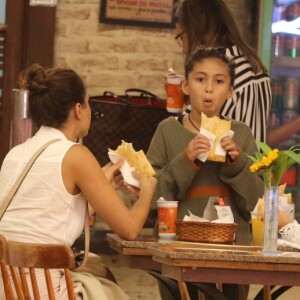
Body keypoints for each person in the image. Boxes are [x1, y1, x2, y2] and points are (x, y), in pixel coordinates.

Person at [0, 64, 157, 299]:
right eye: (88, 103)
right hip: (44, 292)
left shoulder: (16, 153)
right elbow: (130, 230)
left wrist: (100, 187)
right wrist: (148, 191)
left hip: (9, 289)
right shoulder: (76, 155)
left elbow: (47, 217)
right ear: (78, 109)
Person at [147, 47, 264, 300]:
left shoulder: (241, 134)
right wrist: (186, 159)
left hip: (233, 256)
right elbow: (149, 196)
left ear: (231, 90)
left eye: (219, 81)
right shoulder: (168, 131)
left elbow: (258, 204)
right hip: (177, 252)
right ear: (186, 86)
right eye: (200, 79)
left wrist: (237, 163)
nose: (209, 89)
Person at [173, 0, 272, 143]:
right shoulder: (253, 66)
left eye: (182, 37)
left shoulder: (223, 73)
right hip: (253, 163)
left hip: (225, 164)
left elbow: (188, 137)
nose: (183, 49)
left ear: (196, 31)